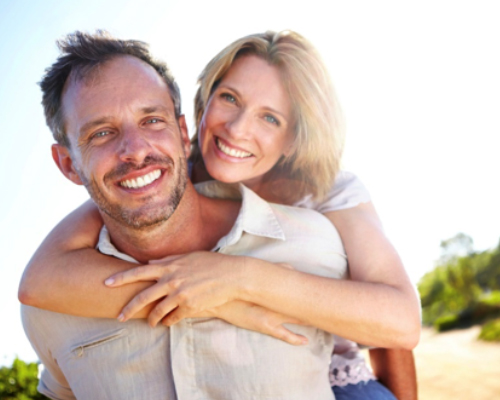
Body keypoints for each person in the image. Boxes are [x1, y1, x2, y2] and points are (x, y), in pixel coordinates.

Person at [19, 31, 420, 399]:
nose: (238, 129)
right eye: (230, 98)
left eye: (270, 118)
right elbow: (41, 280)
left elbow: (396, 328)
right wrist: (218, 302)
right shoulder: (157, 178)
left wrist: (239, 277)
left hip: (342, 375)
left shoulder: (326, 197)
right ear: (202, 104)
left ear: (292, 140)